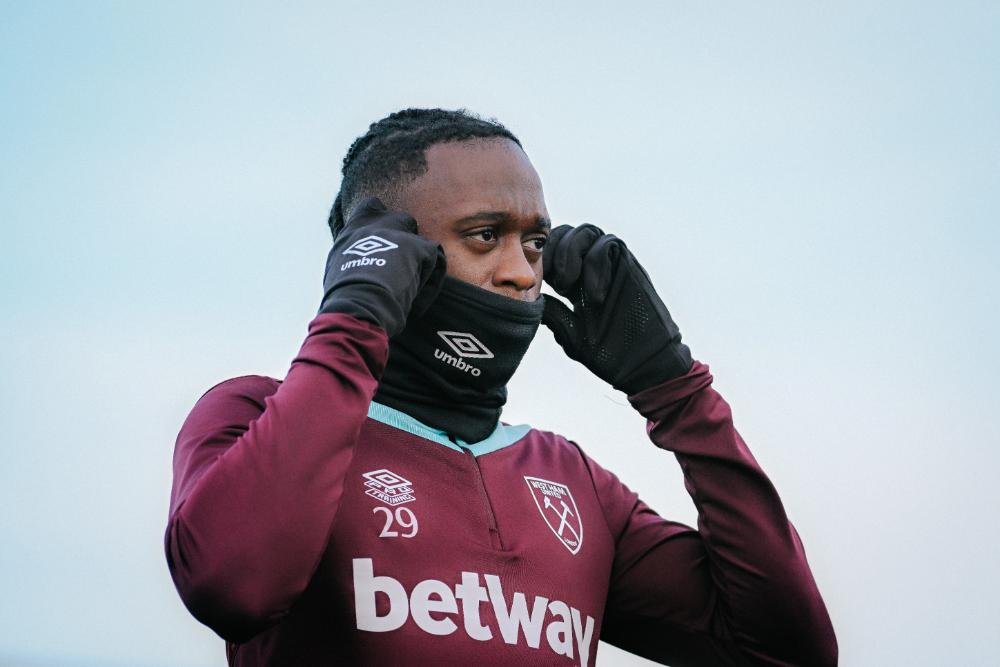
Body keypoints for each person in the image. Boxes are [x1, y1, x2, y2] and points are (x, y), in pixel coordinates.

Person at [165, 108, 837, 666]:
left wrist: (674, 389)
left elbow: (786, 652)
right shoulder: (252, 414)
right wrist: (352, 316)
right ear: (383, 247)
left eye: (536, 243)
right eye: (485, 236)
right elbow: (233, 585)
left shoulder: (572, 481)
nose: (522, 274)